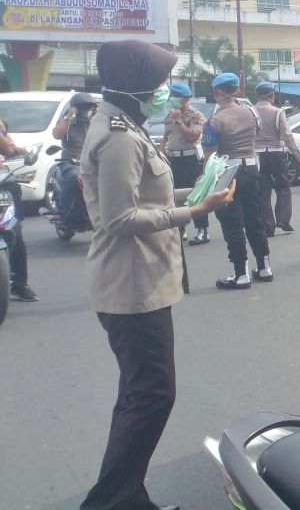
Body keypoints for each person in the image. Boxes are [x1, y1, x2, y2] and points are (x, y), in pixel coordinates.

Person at [79, 39, 234, 510]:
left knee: (140, 396)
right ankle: (109, 502)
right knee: (151, 397)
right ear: (138, 82)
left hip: (141, 278)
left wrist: (195, 195)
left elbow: (146, 200)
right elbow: (119, 220)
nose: (166, 88)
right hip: (133, 283)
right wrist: (193, 211)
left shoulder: (124, 125)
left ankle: (127, 497)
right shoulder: (120, 137)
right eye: (161, 80)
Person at [202, 73, 273, 290]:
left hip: (226, 170)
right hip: (251, 167)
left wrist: (207, 179)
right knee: (255, 218)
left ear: (217, 92)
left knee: (232, 223)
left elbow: (210, 155)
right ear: (237, 90)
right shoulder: (252, 113)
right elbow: (257, 134)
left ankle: (241, 274)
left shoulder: (215, 121)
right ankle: (264, 267)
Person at [252, 83, 300, 236]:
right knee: (283, 187)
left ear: (257, 95)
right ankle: (283, 220)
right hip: (276, 154)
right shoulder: (277, 112)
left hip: (257, 155)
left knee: (263, 190)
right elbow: (287, 136)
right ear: (272, 95)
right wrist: (299, 157)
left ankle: (267, 226)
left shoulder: (250, 112)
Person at [159, 83, 210, 245]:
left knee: (195, 194)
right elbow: (165, 138)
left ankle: (203, 230)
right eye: (171, 96)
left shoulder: (196, 115)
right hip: (173, 158)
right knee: (175, 195)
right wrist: (161, 154)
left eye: (176, 97)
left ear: (186, 99)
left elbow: (193, 137)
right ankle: (181, 229)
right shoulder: (169, 116)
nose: (172, 99)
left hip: (190, 159)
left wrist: (179, 121)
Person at [0, 116, 36, 302]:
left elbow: (8, 147)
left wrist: (15, 149)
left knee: (13, 228)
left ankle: (20, 283)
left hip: (3, 187)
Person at [52, 91, 97, 229]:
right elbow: (56, 134)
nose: (87, 110)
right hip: (71, 163)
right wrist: (68, 116)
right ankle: (62, 212)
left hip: (93, 163)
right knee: (73, 177)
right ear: (75, 109)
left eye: (89, 107)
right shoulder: (68, 123)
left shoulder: (96, 123)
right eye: (83, 107)